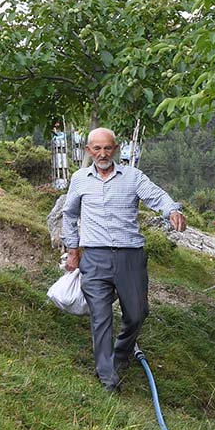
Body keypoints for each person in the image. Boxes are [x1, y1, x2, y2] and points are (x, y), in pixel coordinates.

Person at [62, 128, 186, 392]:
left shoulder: (132, 176)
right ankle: (107, 378)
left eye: (107, 148)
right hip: (94, 258)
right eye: (97, 149)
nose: (103, 154)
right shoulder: (79, 179)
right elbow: (69, 214)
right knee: (100, 316)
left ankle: (121, 353)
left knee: (138, 313)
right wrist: (73, 251)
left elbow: (157, 196)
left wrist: (172, 210)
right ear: (88, 151)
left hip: (130, 256)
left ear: (116, 148)